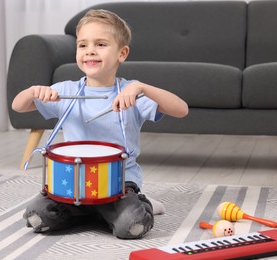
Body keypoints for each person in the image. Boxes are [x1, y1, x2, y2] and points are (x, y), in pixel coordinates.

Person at [12, 9, 188, 239]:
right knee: (37, 216)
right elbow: (18, 106)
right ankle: (98, 213)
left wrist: (142, 88)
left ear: (122, 53)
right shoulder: (66, 90)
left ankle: (135, 205)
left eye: (101, 44)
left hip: (119, 184)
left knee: (131, 227)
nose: (90, 50)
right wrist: (33, 91)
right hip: (73, 183)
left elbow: (181, 109)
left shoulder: (131, 92)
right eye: (83, 45)